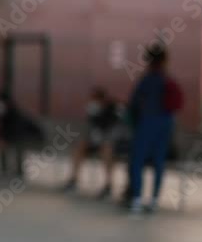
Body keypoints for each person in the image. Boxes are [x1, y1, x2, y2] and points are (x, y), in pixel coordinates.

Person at [127, 44, 182, 213]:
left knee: (137, 161)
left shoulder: (147, 79)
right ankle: (154, 200)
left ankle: (136, 198)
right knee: (158, 162)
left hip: (147, 123)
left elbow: (134, 104)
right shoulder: (168, 79)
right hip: (165, 124)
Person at [62, 87, 121, 198]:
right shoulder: (94, 111)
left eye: (95, 99)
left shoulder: (112, 110)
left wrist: (103, 137)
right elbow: (92, 129)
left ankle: (108, 185)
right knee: (80, 146)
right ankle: (73, 180)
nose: (93, 103)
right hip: (96, 141)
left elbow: (113, 130)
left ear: (102, 99)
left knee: (106, 150)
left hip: (110, 143)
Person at [0, 90, 44, 179]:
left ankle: (19, 172)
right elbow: (5, 131)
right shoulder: (5, 115)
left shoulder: (16, 114)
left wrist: (5, 140)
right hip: (20, 137)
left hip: (35, 138)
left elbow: (17, 132)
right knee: (3, 145)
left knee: (18, 145)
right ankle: (4, 170)